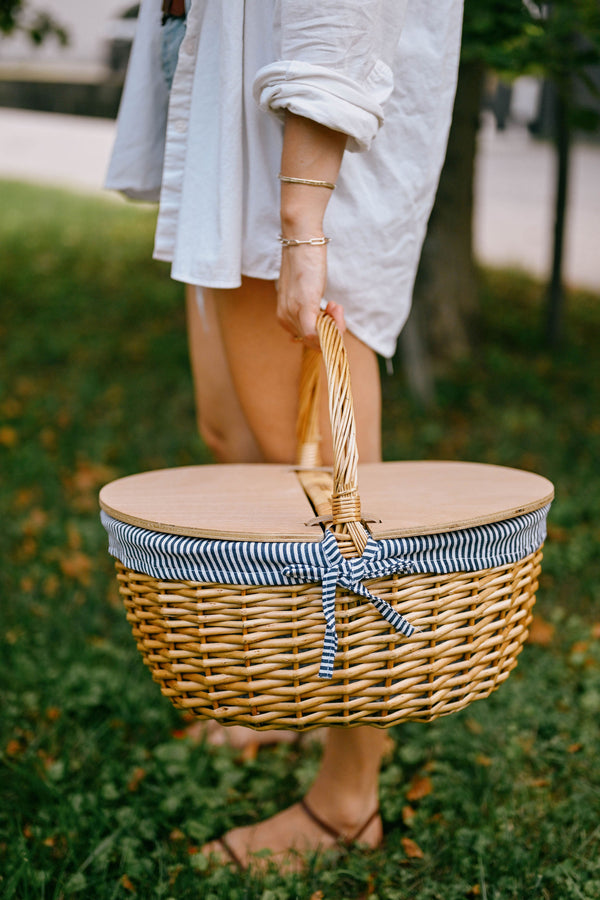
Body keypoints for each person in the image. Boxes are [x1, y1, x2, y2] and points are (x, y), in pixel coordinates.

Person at [106, 0, 464, 870]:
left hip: (298, 126)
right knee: (232, 433)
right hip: (218, 63)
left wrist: (303, 222)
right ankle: (288, 700)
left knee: (322, 502)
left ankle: (348, 799)